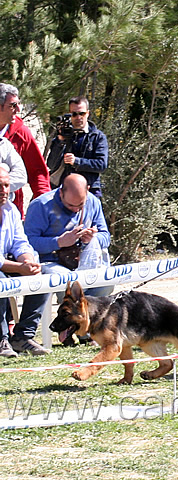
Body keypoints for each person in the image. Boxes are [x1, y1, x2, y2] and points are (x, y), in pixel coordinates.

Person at [11, 174, 112, 354]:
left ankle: (87, 331)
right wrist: (58, 242)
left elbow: (106, 236)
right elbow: (27, 242)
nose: (75, 210)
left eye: (80, 206)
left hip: (84, 259)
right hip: (52, 260)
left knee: (105, 284)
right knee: (61, 281)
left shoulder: (93, 203)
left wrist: (93, 237)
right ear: (60, 192)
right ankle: (63, 329)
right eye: (70, 205)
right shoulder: (41, 205)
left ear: (87, 192)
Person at [0, 169, 41, 357]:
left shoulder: (11, 210)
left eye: (6, 185)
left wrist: (29, 262)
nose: (4, 190)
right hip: (2, 268)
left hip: (8, 263)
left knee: (42, 278)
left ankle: (22, 336)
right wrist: (20, 268)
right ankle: (1, 339)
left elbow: (20, 243)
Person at [0, 83, 50, 217]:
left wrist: (44, 205)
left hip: (11, 212)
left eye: (18, 104)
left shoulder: (21, 133)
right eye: (12, 106)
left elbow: (37, 171)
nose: (18, 110)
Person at [46, 96, 108, 197]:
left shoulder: (97, 137)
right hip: (61, 189)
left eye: (82, 113)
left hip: (88, 189)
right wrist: (60, 141)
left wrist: (76, 161)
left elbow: (101, 164)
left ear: (88, 113)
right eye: (74, 114)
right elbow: (51, 164)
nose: (78, 117)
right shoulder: (63, 134)